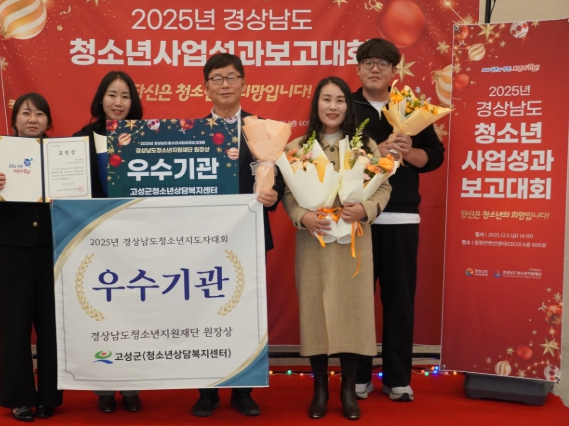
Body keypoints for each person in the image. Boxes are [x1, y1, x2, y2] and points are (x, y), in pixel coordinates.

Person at [281, 77, 391, 420]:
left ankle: (348, 390)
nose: (332, 106)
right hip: (314, 241)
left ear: (348, 106)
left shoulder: (364, 146)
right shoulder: (298, 147)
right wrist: (302, 216)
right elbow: (288, 193)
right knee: (315, 312)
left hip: (353, 242)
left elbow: (383, 187)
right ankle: (319, 389)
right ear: (316, 104)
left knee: (352, 314)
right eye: (326, 99)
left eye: (340, 100)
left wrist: (366, 209)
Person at [190, 53, 285, 418]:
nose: (225, 84)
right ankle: (207, 391)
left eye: (232, 77)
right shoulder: (191, 132)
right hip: (204, 241)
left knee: (247, 313)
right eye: (217, 78)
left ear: (244, 83)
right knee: (204, 312)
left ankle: (244, 391)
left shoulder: (263, 130)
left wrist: (274, 196)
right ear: (206, 87)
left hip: (249, 237)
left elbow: (278, 182)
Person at [353, 38, 445, 402]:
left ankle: (397, 378)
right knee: (357, 301)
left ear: (394, 71)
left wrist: (411, 151)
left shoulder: (410, 107)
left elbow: (434, 158)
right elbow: (332, 158)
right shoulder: (346, 107)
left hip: (402, 216)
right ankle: (358, 376)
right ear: (358, 68)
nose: (375, 69)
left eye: (383, 64)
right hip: (357, 216)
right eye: (368, 63)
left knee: (399, 301)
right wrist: (373, 153)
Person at [0, 93, 63, 421]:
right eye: (25, 113)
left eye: (39, 114)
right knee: (14, 326)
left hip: (54, 250)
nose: (32, 119)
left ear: (48, 121)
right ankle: (19, 397)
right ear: (14, 121)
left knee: (52, 327)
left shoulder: (62, 155)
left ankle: (49, 396)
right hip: (13, 253)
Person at [73, 71, 144, 412]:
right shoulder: (80, 140)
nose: (118, 102)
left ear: (133, 102)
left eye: (125, 96)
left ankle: (131, 387)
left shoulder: (146, 137)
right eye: (112, 95)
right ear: (101, 99)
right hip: (94, 243)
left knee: (133, 314)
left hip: (135, 243)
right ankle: (103, 387)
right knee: (100, 315)